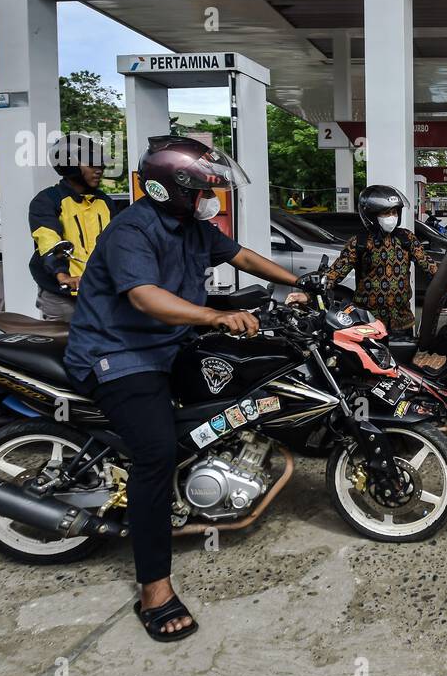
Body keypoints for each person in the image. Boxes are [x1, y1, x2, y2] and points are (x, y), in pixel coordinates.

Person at [63, 136, 310, 643]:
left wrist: (303, 284)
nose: (210, 198)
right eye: (203, 189)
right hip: (120, 355)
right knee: (154, 453)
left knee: (236, 386)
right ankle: (154, 588)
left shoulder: (193, 229)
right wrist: (215, 316)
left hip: (170, 347)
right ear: (172, 189)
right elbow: (147, 298)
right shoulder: (133, 229)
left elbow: (241, 256)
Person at [326, 185, 447, 335]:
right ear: (371, 216)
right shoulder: (360, 242)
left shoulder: (406, 238)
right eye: (386, 213)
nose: (392, 217)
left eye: (394, 212)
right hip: (369, 322)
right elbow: (335, 273)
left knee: (403, 358)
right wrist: (313, 289)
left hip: (402, 322)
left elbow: (427, 264)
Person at [29, 132, 120, 321]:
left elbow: (119, 242)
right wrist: (62, 275)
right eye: (91, 164)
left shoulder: (105, 202)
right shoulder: (48, 200)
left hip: (102, 292)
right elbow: (48, 240)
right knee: (67, 347)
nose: (99, 169)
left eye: (100, 164)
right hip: (64, 296)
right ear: (69, 166)